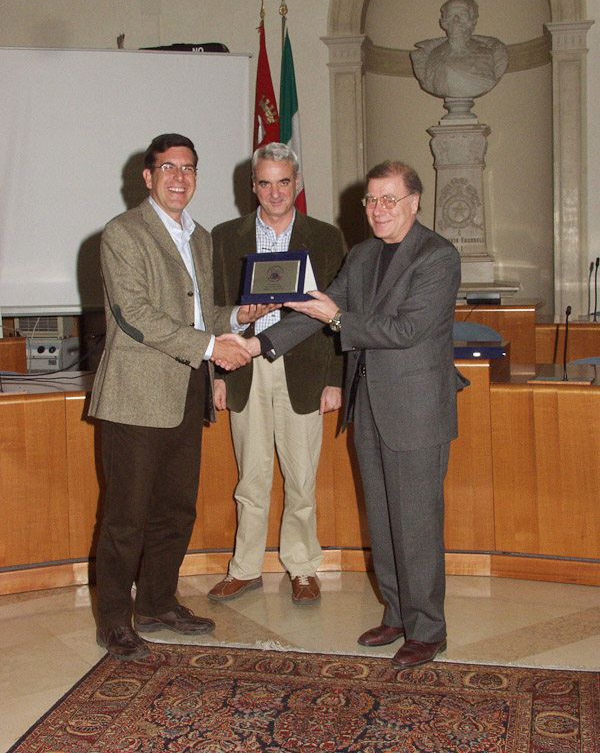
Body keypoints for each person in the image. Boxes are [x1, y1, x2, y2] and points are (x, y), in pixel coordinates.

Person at [248, 160, 468, 668]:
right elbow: (314, 309)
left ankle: (428, 629)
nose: (378, 210)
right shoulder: (365, 255)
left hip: (415, 410)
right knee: (385, 519)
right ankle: (397, 613)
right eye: (371, 201)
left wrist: (339, 317)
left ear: (414, 202)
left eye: (389, 200)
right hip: (368, 406)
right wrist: (257, 346)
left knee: (416, 522)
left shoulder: (438, 256)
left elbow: (406, 330)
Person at [89, 133, 269, 661]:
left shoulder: (202, 237)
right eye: (168, 168)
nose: (179, 177)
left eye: (188, 168)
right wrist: (216, 345)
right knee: (126, 515)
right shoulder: (123, 233)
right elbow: (136, 316)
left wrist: (238, 319)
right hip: (136, 394)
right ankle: (115, 620)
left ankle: (159, 602)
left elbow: (203, 314)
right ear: (147, 177)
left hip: (187, 389)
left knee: (175, 509)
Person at [208, 143, 345, 604]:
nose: (274, 192)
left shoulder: (325, 237)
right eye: (264, 183)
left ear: (297, 183)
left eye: (283, 181)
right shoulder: (226, 236)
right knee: (251, 476)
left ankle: (303, 567)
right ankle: (245, 568)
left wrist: (335, 377)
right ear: (253, 187)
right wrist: (219, 372)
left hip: (304, 369)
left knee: (301, 475)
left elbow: (340, 310)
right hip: (243, 366)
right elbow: (211, 311)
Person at [411, 0, 508, 99]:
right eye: (451, 15)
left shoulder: (491, 52)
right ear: (443, 22)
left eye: (462, 14)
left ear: (473, 20)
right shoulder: (430, 54)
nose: (456, 19)